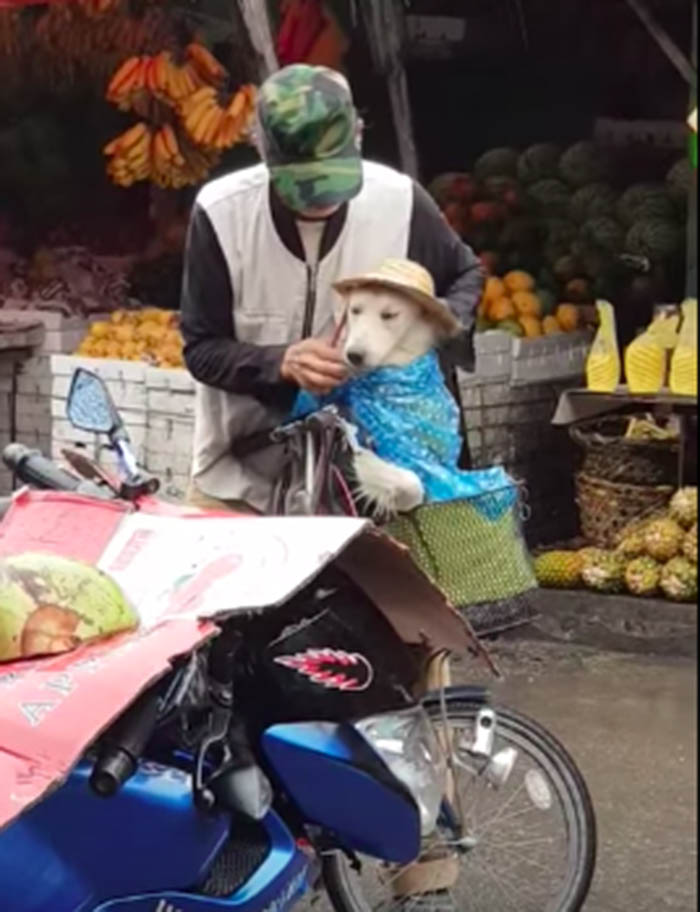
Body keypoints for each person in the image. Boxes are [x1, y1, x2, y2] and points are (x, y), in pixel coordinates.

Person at [180, 63, 484, 514]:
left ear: (358, 136)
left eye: (332, 176)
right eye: (303, 183)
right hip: (237, 477)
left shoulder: (398, 202)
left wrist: (422, 336)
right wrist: (278, 361)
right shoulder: (222, 215)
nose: (322, 198)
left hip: (367, 486)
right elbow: (200, 348)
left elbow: (466, 274)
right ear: (260, 148)